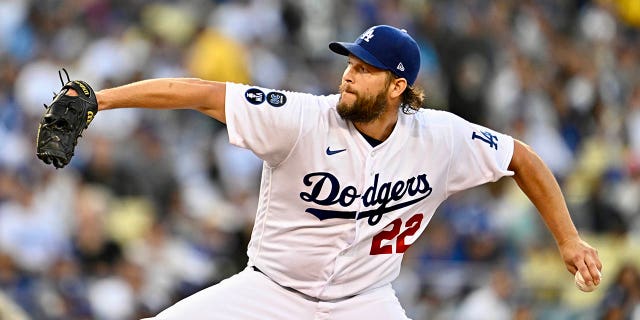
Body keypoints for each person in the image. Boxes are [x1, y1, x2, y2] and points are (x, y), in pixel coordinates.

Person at [67, 25, 602, 319]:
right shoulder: (300, 118)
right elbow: (201, 94)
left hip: (364, 303)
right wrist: (101, 101)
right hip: (268, 292)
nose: (348, 76)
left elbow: (521, 159)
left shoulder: (440, 138)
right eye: (349, 64)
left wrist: (568, 240)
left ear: (397, 87)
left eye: (364, 70)